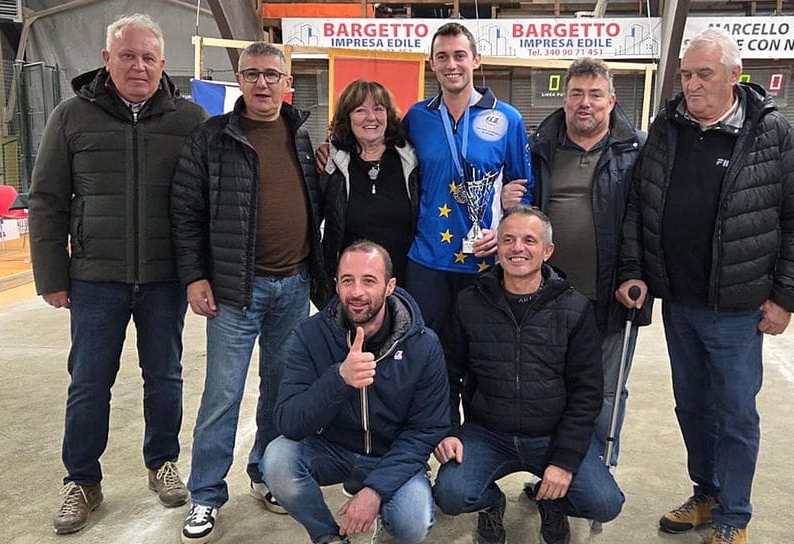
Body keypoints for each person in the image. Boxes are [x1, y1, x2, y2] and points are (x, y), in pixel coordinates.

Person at [617, 29, 794, 544]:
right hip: (679, 303)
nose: (692, 84)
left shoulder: (770, 133)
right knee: (691, 406)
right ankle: (706, 493)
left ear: (734, 75)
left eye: (704, 74)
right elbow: (641, 205)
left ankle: (733, 517)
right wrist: (636, 270)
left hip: (737, 307)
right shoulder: (668, 127)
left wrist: (786, 297)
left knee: (733, 412)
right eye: (685, 74)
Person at [28, 13, 207, 535]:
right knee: (88, 383)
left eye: (149, 57)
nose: (139, 66)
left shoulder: (189, 119)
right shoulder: (71, 117)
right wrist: (51, 275)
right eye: (128, 56)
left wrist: (199, 272)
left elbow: (204, 201)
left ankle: (162, 463)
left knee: (166, 376)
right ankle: (81, 480)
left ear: (162, 64)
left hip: (163, 279)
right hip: (94, 278)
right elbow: (46, 201)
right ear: (107, 60)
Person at [170, 42, 323, 543]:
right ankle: (206, 495)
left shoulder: (301, 136)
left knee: (280, 390)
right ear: (240, 80)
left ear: (287, 83)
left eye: (271, 75)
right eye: (252, 74)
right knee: (223, 395)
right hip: (237, 290)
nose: (262, 83)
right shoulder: (212, 137)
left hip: (294, 285)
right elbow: (186, 212)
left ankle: (266, 474)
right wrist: (195, 276)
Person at [432, 206, 624, 544]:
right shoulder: (469, 303)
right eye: (508, 239)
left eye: (529, 240)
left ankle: (552, 502)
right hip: (487, 433)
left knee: (605, 503)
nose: (517, 248)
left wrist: (564, 461)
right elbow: (446, 374)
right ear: (498, 247)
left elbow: (587, 392)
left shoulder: (575, 308)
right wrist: (448, 429)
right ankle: (492, 505)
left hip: (551, 435)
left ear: (547, 251)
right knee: (451, 494)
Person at [262, 241, 449, 544]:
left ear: (390, 286)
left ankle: (384, 515)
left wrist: (375, 491)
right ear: (336, 285)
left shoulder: (423, 344)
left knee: (412, 523)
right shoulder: (311, 335)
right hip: (333, 449)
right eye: (348, 280)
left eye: (369, 280)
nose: (357, 292)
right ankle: (327, 536)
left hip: (391, 455)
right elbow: (288, 421)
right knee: (276, 460)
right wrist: (338, 379)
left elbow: (427, 429)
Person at [530, 57, 651, 473]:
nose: (585, 103)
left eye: (595, 95)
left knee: (603, 392)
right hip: (548, 297)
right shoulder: (539, 148)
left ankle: (594, 471)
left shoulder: (637, 149)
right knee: (552, 388)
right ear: (564, 99)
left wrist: (636, 273)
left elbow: (645, 218)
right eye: (576, 94)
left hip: (609, 296)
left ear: (611, 101)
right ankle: (553, 469)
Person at [402, 22, 534, 329]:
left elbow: (525, 192)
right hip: (427, 259)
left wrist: (502, 232)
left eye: (460, 55)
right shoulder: (417, 117)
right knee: (429, 352)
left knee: (481, 356)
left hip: (484, 258)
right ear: (431, 63)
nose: (452, 65)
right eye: (443, 57)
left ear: (475, 60)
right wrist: (334, 149)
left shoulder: (507, 118)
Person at [320, 80, 418, 303]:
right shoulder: (332, 165)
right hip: (352, 292)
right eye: (360, 110)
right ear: (347, 118)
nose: (371, 117)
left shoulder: (411, 161)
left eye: (378, 109)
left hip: (404, 285)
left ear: (388, 115)